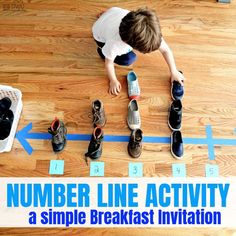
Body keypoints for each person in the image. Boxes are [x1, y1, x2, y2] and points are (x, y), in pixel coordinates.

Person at [92, 7, 185, 95]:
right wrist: (113, 80)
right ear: (128, 43)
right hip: (99, 36)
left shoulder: (146, 29)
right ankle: (101, 51)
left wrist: (174, 71)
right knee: (128, 59)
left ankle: (104, 16)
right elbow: (109, 63)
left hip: (113, 13)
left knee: (109, 20)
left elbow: (166, 50)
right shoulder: (116, 44)